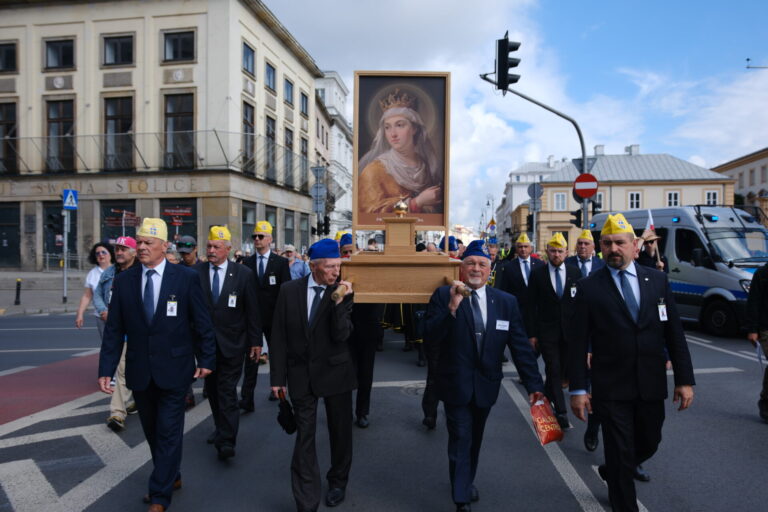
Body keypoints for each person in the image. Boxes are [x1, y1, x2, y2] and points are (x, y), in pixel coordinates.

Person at [569, 213, 695, 512]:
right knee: (619, 448)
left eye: (620, 243)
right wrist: (578, 389)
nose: (613, 248)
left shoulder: (658, 280)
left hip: (650, 381)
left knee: (650, 440)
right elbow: (577, 342)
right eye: (607, 243)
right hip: (611, 385)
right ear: (601, 246)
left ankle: (614, 469)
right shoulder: (589, 287)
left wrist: (684, 379)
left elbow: (674, 332)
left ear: (634, 246)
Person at [98, 218, 216, 512]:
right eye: (139, 242)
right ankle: (171, 474)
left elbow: (202, 322)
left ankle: (159, 494)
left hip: (175, 369)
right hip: (140, 370)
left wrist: (206, 358)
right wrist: (106, 370)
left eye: (148, 243)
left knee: (168, 430)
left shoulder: (185, 278)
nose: (141, 247)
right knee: (152, 431)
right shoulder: (124, 281)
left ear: (164, 246)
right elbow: (114, 329)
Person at [425, 239, 544, 512]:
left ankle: (466, 480)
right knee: (460, 436)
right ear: (461, 268)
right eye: (470, 263)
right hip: (455, 383)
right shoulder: (443, 295)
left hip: (486, 384)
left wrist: (534, 386)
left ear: (490, 270)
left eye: (482, 264)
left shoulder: (505, 302)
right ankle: (461, 498)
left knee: (475, 438)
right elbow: (429, 336)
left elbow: (520, 347)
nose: (476, 269)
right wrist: (451, 309)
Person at [270, 238, 355, 512]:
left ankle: (338, 481)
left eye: (338, 266)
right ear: (313, 266)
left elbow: (342, 334)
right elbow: (279, 335)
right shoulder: (289, 291)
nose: (335, 272)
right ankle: (307, 500)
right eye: (329, 267)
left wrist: (340, 302)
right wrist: (277, 379)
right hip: (301, 374)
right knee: (305, 436)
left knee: (340, 431)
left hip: (336, 371)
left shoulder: (342, 291)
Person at [196, 226, 262, 460]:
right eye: (209, 246)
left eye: (216, 247)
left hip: (233, 343)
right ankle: (220, 427)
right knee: (213, 391)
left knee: (226, 390)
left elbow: (252, 310)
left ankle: (227, 440)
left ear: (228, 249)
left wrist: (256, 341)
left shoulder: (243, 274)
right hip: (206, 345)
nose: (211, 251)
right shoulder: (196, 272)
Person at [525, 232, 580, 429]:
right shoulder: (538, 273)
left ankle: (547, 398)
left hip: (570, 332)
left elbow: (581, 303)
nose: (556, 254)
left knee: (561, 370)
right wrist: (532, 334)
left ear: (566, 252)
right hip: (546, 331)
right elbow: (530, 305)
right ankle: (561, 411)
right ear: (547, 252)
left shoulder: (575, 272)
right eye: (553, 251)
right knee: (553, 367)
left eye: (560, 251)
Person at [358, 88, 442, 214]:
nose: (393, 134)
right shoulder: (373, 171)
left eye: (399, 125)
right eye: (387, 127)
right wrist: (415, 203)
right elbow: (370, 214)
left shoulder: (427, 168)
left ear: (414, 128)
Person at [241, 221, 291, 406]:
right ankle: (247, 398)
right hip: (252, 318)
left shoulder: (281, 263)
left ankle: (276, 389)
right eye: (254, 236)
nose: (257, 239)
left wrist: (284, 316)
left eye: (260, 236)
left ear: (270, 239)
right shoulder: (247, 262)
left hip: (273, 317)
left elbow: (286, 290)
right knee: (251, 358)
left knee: (276, 355)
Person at [93, 236, 139, 433]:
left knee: (131, 369)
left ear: (134, 252)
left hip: (136, 330)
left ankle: (132, 402)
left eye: (123, 249)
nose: (119, 252)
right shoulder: (110, 272)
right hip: (117, 329)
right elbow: (97, 293)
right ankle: (117, 412)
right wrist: (104, 310)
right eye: (117, 249)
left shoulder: (140, 272)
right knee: (122, 369)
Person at [494, 233, 544, 321]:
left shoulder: (539, 264)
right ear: (516, 249)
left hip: (537, 312)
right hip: (517, 311)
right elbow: (504, 289)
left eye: (526, 246)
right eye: (520, 247)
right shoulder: (509, 267)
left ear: (531, 248)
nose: (523, 249)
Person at [75, 242, 114, 336]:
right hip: (101, 316)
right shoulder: (92, 274)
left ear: (110, 254)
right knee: (106, 342)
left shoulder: (118, 270)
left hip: (118, 315)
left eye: (103, 252)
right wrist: (80, 314)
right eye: (97, 253)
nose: (101, 255)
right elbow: (87, 296)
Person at [746, 261, 768, 422]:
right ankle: (766, 402)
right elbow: (753, 302)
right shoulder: (762, 274)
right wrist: (752, 329)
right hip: (766, 328)